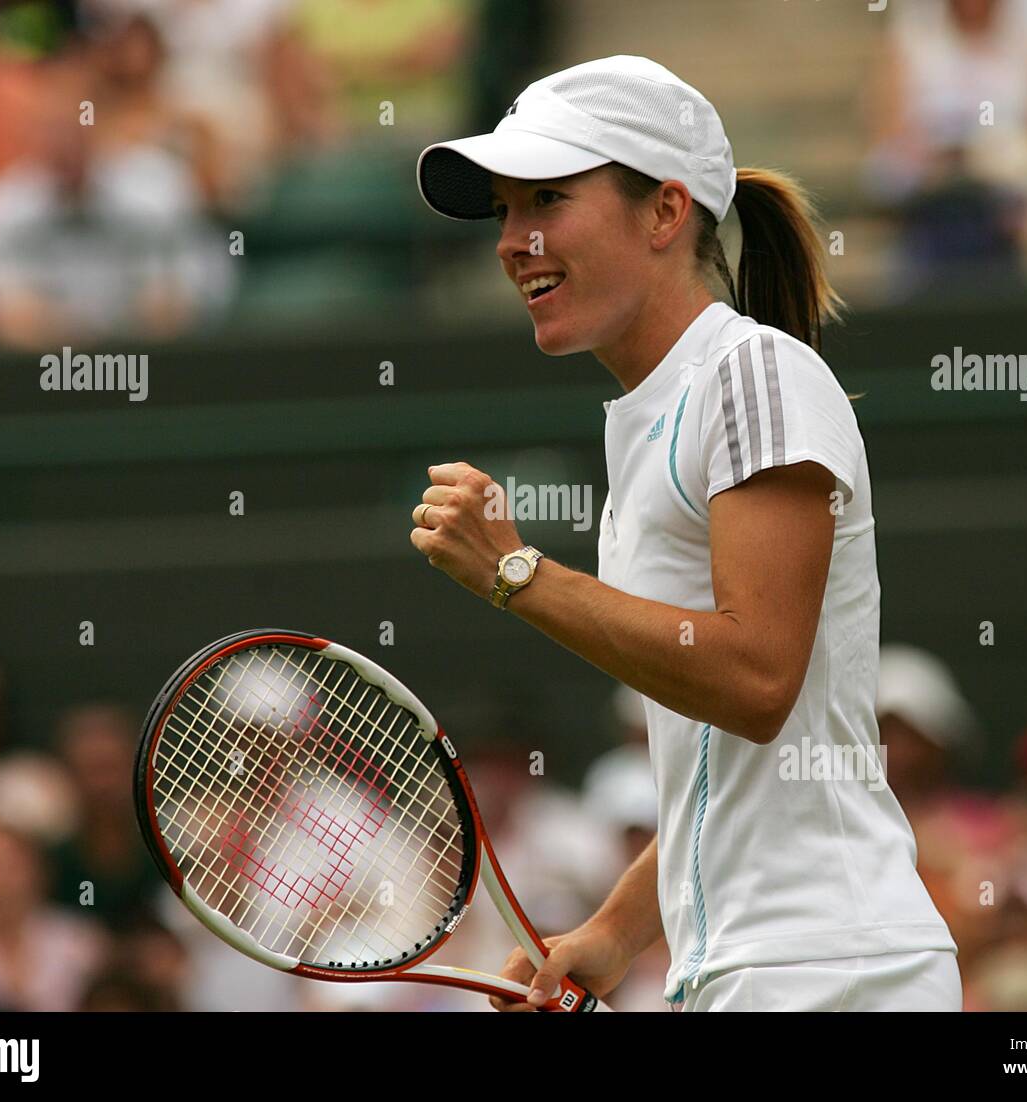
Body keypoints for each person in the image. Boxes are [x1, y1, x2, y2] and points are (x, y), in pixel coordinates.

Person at [409, 55, 959, 1012]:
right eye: (504, 210)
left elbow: (756, 681)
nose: (514, 240)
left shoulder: (750, 376)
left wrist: (515, 573)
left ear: (665, 213)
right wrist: (615, 932)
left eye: (546, 197)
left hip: (829, 970)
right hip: (752, 969)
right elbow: (733, 762)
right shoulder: (656, 415)